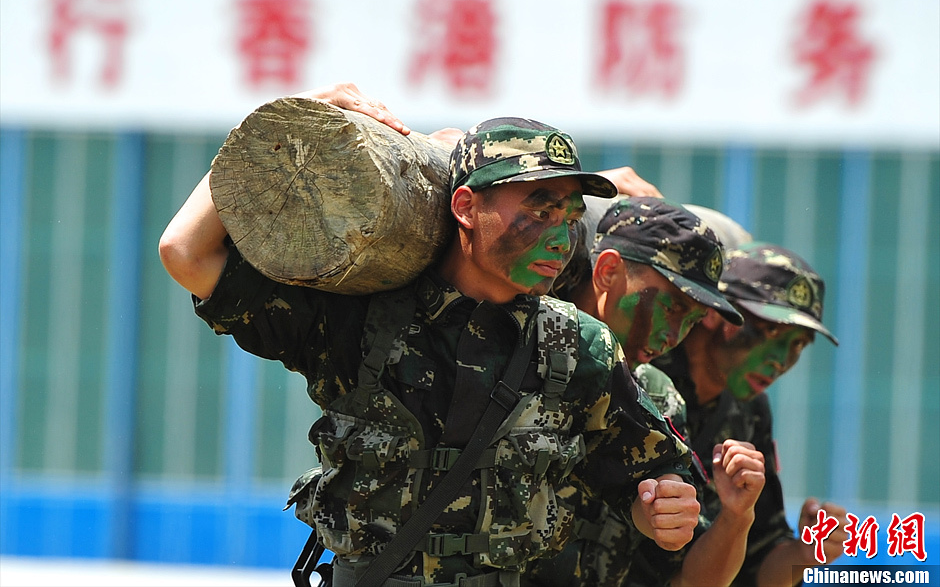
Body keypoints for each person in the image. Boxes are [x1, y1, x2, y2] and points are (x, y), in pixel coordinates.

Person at [158, 83, 700, 587]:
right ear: (466, 208)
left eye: (570, 217)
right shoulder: (360, 320)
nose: (562, 238)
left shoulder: (578, 346)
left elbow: (654, 474)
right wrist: (288, 122)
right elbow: (185, 252)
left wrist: (663, 509)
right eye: (540, 211)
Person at [528, 198, 766, 587]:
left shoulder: (658, 397)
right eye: (671, 308)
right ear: (607, 272)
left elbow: (692, 580)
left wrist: (738, 516)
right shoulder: (526, 351)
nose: (674, 337)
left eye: (691, 321)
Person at [628, 241, 848, 587]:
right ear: (716, 311)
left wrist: (806, 553)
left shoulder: (749, 412)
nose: (781, 360)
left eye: (797, 344)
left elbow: (760, 568)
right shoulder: (642, 375)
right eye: (771, 331)